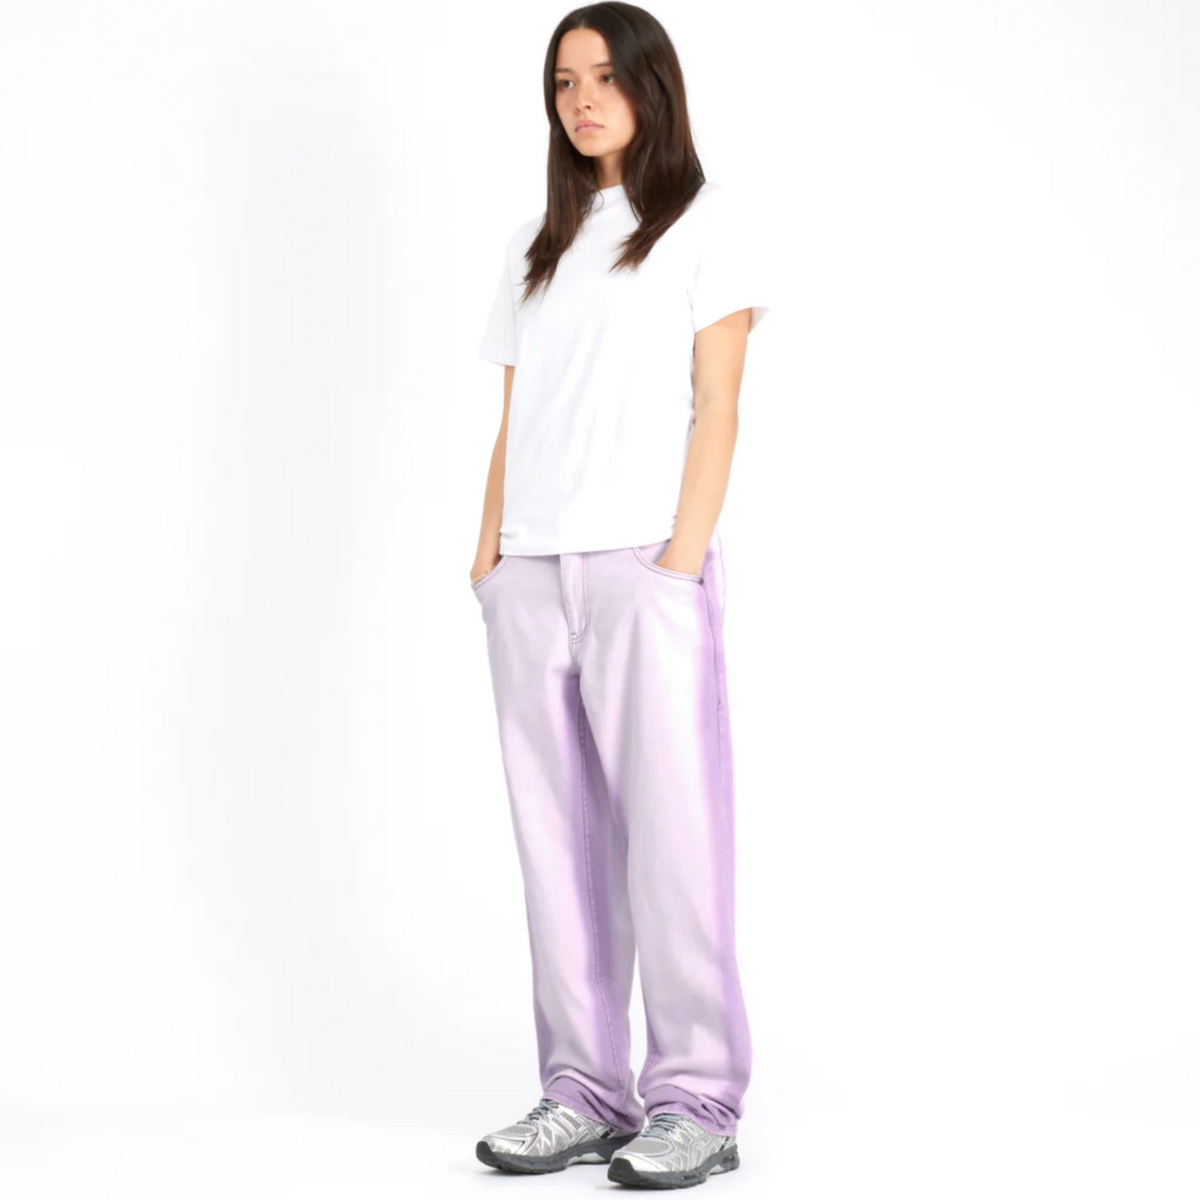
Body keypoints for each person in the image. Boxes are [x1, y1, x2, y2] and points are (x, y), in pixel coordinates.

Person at [469, 4, 771, 1189]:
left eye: (603, 76)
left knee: (675, 843)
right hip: (531, 574)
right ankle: (583, 1092)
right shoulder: (535, 245)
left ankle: (697, 1099)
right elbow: (516, 415)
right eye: (564, 81)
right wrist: (490, 561)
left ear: (651, 85)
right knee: (558, 848)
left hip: (644, 567)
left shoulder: (705, 221)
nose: (583, 99)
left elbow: (720, 404)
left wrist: (679, 563)